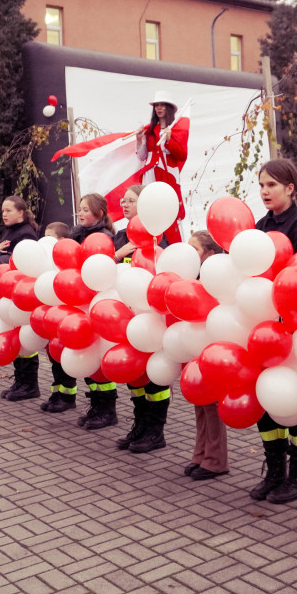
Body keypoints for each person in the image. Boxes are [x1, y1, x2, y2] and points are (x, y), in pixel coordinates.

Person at [252, 159, 297, 504]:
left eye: (272, 185)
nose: (265, 191)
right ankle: (275, 472)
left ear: (290, 188)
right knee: (268, 399)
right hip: (265, 329)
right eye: (262, 185)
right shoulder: (260, 226)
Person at [112, 185, 171, 451]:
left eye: (131, 200)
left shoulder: (159, 237)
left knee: (154, 377)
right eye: (123, 200)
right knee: (134, 375)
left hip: (153, 318)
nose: (125, 204)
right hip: (127, 316)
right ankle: (140, 425)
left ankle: (155, 431)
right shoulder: (122, 235)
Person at [65, 195, 121, 428]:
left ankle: (107, 410)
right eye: (79, 208)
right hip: (80, 302)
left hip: (99, 304)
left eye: (86, 209)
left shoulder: (105, 239)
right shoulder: (76, 235)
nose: (80, 212)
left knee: (100, 361)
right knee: (87, 357)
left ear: (99, 213)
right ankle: (96, 405)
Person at [184, 230, 230, 480]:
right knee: (199, 400)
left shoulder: (218, 278)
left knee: (211, 402)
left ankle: (216, 459)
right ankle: (200, 453)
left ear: (210, 254)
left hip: (213, 344)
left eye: (195, 249)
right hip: (196, 342)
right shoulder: (192, 276)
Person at [0, 196, 42, 401]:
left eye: (8, 210)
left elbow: (18, 264)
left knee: (24, 338)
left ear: (21, 212)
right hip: (11, 293)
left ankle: (29, 384)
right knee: (16, 337)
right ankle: (21, 381)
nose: (4, 214)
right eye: (3, 210)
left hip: (22, 293)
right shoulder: (11, 231)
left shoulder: (26, 235)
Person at [135, 91, 188, 244]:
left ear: (168, 108)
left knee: (170, 208)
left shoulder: (177, 129)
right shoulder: (150, 130)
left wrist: (170, 139)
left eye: (162, 105)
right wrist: (139, 141)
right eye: (156, 105)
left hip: (168, 174)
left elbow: (182, 155)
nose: (159, 108)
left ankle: (173, 244)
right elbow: (142, 156)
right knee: (150, 207)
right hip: (151, 173)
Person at [39, 221, 80, 413]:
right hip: (51, 314)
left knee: (63, 356)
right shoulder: (47, 262)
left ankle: (67, 396)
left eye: (50, 239)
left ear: (62, 241)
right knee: (54, 357)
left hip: (65, 314)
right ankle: (57, 393)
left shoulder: (69, 259)